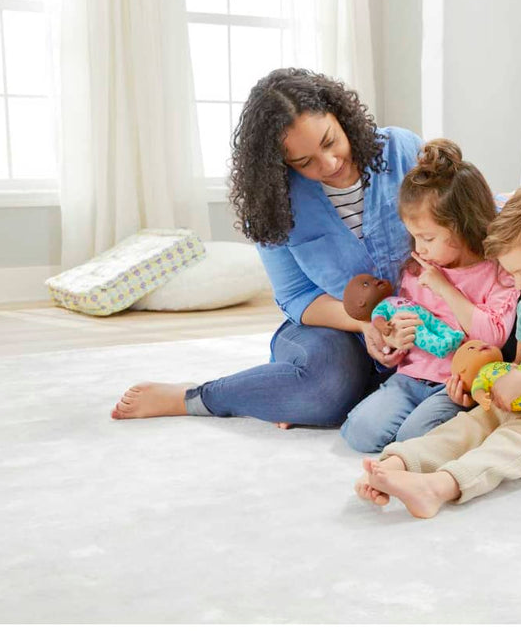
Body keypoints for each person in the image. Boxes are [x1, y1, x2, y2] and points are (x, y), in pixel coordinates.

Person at [112, 67, 426, 427]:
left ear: (341, 116)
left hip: (420, 321)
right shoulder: (274, 202)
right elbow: (297, 296)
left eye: (330, 141)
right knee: (325, 388)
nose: (328, 164)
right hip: (332, 327)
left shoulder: (403, 151)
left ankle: (286, 394)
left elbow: (459, 224)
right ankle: (195, 397)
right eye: (304, 162)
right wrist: (367, 324)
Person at [354, 181, 521, 518]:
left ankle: (436, 488)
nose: (520, 287)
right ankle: (394, 465)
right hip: (520, 405)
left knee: (504, 446)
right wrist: (489, 388)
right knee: (464, 427)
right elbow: (519, 365)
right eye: (513, 276)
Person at [340, 139, 518, 453]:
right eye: (415, 237)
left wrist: (445, 288)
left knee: (415, 436)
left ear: (462, 225)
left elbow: (492, 336)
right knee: (360, 431)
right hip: (410, 377)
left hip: (454, 385)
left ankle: (468, 422)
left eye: (427, 238)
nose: (419, 248)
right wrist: (395, 341)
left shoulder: (498, 273)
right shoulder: (417, 269)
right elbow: (404, 324)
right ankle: (428, 431)